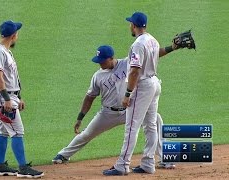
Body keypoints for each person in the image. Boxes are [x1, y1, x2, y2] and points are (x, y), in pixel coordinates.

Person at [52, 45, 175, 170]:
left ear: (111, 58)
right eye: (98, 60)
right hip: (107, 113)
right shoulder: (97, 76)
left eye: (102, 60)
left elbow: (151, 55)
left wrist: (172, 47)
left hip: (129, 109)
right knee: (87, 133)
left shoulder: (127, 63)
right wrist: (80, 117)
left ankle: (165, 158)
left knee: (155, 120)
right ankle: (63, 155)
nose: (100, 63)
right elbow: (89, 97)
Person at [103, 12, 179, 176]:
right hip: (154, 84)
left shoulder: (138, 44)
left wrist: (128, 93)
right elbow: (156, 53)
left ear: (134, 25)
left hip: (143, 86)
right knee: (150, 125)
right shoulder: (152, 39)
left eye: (130, 23)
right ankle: (148, 163)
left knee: (131, 127)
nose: (129, 25)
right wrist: (172, 48)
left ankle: (122, 165)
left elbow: (135, 71)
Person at [0, 20, 44, 178]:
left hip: (7, 96)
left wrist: (18, 98)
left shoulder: (5, 51)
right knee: (17, 132)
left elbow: (10, 77)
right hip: (3, 98)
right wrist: (7, 99)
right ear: (13, 35)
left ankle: (0, 166)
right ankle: (23, 168)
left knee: (3, 131)